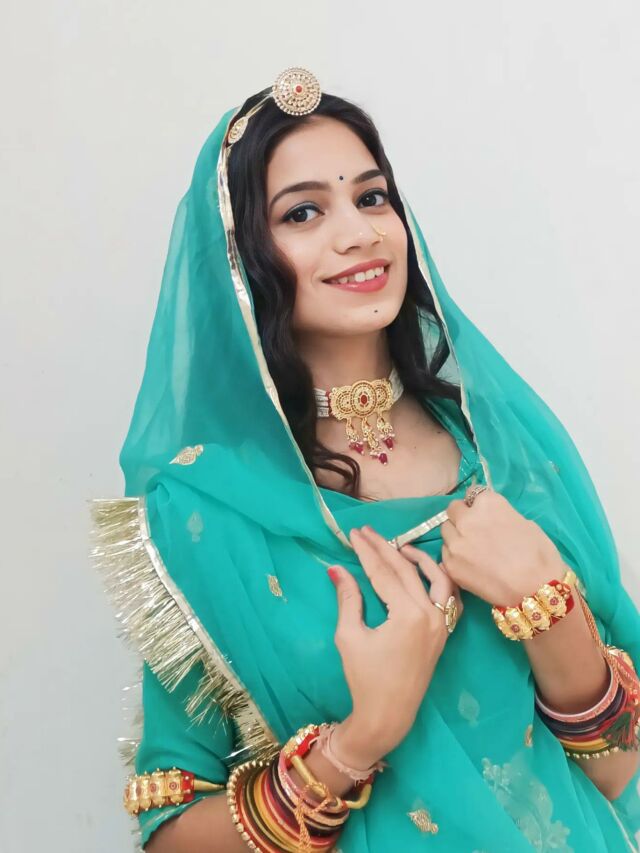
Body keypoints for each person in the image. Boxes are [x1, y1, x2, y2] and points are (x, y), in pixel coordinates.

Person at [91, 67, 640, 852]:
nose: (359, 233)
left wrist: (545, 605)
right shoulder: (205, 509)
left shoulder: (501, 450)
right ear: (242, 258)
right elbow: (169, 829)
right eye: (304, 211)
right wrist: (359, 739)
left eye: (372, 197)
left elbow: (622, 773)